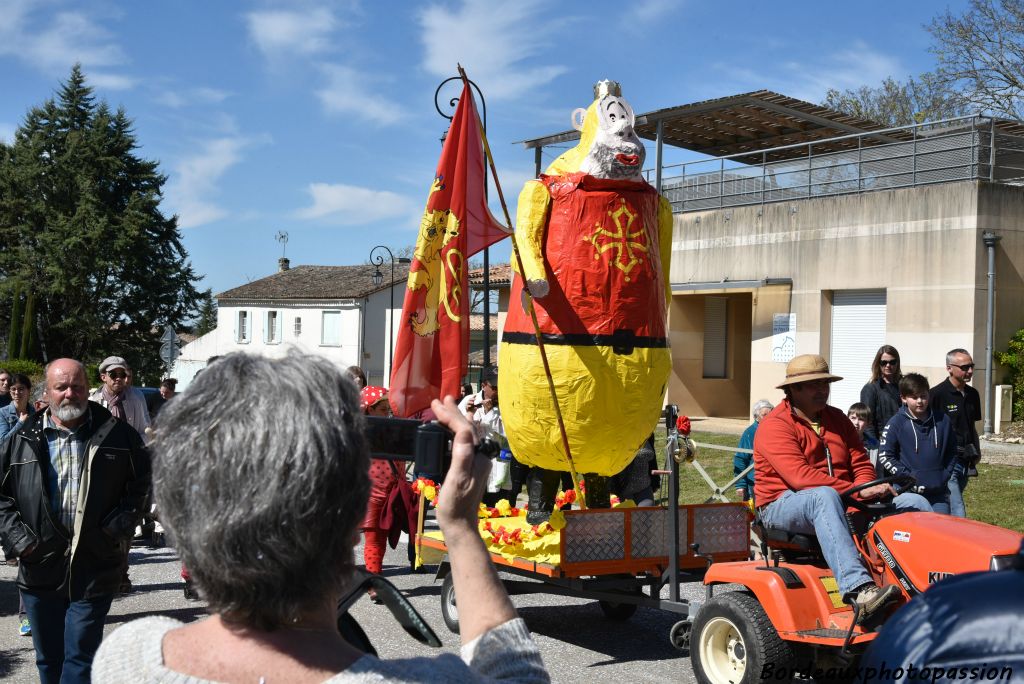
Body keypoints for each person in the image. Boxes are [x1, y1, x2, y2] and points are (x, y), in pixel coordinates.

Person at [91, 351, 549, 683]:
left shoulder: (129, 656)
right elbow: (516, 674)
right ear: (352, 521)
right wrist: (461, 526)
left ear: (177, 516)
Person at [0, 358, 151, 684]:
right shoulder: (20, 440)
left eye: (77, 386)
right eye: (61, 387)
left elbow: (141, 486)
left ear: (88, 389)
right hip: (39, 565)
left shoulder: (119, 436)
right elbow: (2, 497)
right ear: (47, 393)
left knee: (80, 660)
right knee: (49, 662)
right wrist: (20, 541)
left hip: (95, 564)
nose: (70, 393)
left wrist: (116, 529)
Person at [754, 354, 932, 622]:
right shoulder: (775, 426)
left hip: (839, 499)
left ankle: (927, 583)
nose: (822, 390)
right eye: (814, 384)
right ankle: (858, 590)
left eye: (825, 383)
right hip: (781, 505)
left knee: (915, 503)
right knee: (822, 497)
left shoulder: (837, 419)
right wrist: (859, 492)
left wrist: (869, 487)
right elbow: (800, 478)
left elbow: (861, 464)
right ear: (794, 389)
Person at [858, 539, 1024, 682]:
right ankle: (859, 584)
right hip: (846, 504)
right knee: (831, 500)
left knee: (914, 500)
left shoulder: (926, 617)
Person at [876, 373, 957, 514]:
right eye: (914, 397)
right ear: (903, 398)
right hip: (908, 492)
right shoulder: (896, 423)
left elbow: (953, 451)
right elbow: (885, 455)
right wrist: (907, 476)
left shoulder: (943, 420)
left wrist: (945, 474)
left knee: (939, 531)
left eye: (923, 396)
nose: (920, 401)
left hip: (938, 494)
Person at [358, 385, 400, 601]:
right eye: (382, 408)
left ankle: (375, 579)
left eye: (387, 408)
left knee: (381, 538)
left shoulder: (391, 429)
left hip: (389, 491)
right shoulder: (359, 432)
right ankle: (374, 584)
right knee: (373, 538)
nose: (387, 412)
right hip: (369, 493)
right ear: (369, 409)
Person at [930, 348, 982, 518]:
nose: (970, 371)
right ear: (949, 368)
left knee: (951, 500)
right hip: (947, 459)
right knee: (957, 506)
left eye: (971, 366)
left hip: (966, 458)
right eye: (965, 367)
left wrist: (977, 451)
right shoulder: (936, 395)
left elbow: (972, 426)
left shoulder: (973, 394)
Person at [88, 356, 151, 438]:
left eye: (122, 375)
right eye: (113, 374)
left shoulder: (136, 398)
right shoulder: (93, 402)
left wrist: (134, 448)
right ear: (103, 377)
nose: (118, 378)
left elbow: (144, 430)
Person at [859, 345, 903, 444]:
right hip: (883, 442)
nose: (888, 365)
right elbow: (867, 423)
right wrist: (876, 447)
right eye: (884, 362)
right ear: (878, 364)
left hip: (904, 439)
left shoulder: (905, 385)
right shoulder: (870, 389)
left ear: (897, 363)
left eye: (892, 362)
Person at [734, 399, 773, 502]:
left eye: (771, 414)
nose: (769, 418)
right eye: (765, 415)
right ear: (756, 417)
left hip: (774, 482)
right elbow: (740, 459)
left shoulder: (776, 430)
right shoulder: (750, 433)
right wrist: (740, 485)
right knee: (756, 515)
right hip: (755, 483)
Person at [0, 373, 34, 441]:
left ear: (29, 390)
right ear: (10, 391)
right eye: (13, 389)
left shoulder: (34, 411)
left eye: (21, 389)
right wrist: (20, 423)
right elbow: (2, 442)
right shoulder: (2, 413)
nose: (17, 392)